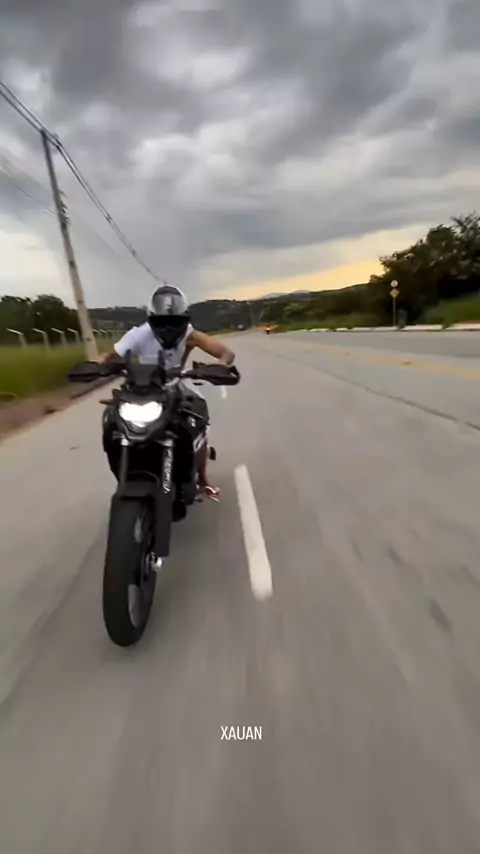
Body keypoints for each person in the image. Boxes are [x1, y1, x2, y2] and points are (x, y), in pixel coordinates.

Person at [100, 284, 236, 502]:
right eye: (162, 322)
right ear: (152, 319)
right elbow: (110, 357)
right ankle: (124, 474)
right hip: (140, 387)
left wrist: (217, 367)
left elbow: (225, 353)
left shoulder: (190, 335)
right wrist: (97, 367)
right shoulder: (139, 335)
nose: (168, 328)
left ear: (184, 320)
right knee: (111, 419)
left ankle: (202, 478)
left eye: (174, 322)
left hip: (174, 384)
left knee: (198, 413)